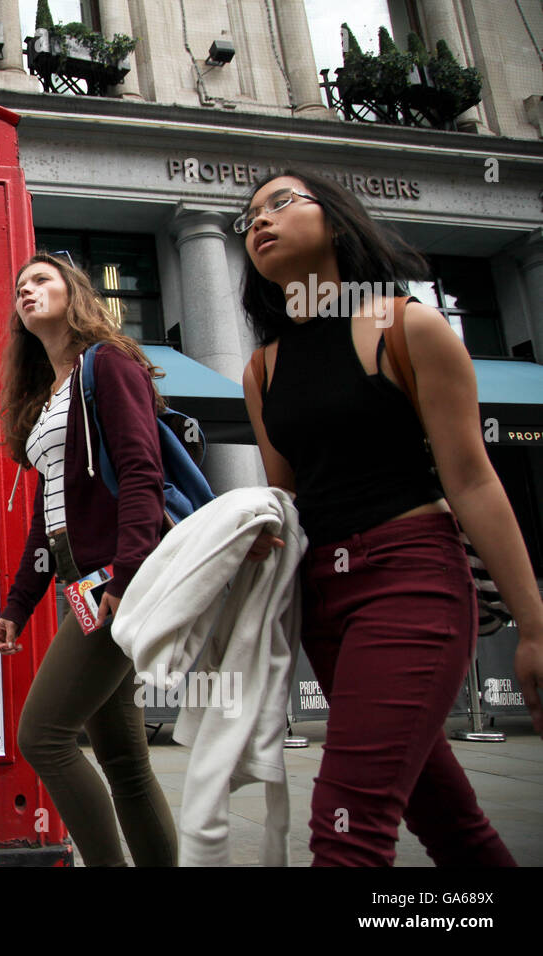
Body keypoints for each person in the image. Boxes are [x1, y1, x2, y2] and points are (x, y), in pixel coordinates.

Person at [238, 168, 543, 866]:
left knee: (347, 827)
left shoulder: (408, 326)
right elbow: (286, 505)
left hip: (411, 580)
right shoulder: (262, 368)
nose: (259, 221)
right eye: (247, 217)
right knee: (448, 821)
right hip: (322, 599)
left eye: (281, 203)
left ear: (336, 222)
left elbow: (472, 480)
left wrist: (535, 627)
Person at [0, 252, 177, 867]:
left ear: (74, 293)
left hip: (113, 582)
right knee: (124, 758)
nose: (27, 290)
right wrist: (18, 606)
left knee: (42, 736)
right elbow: (48, 524)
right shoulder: (52, 397)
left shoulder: (109, 362)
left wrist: (129, 574)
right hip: (81, 583)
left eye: (41, 280)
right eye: (20, 286)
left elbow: (143, 472)